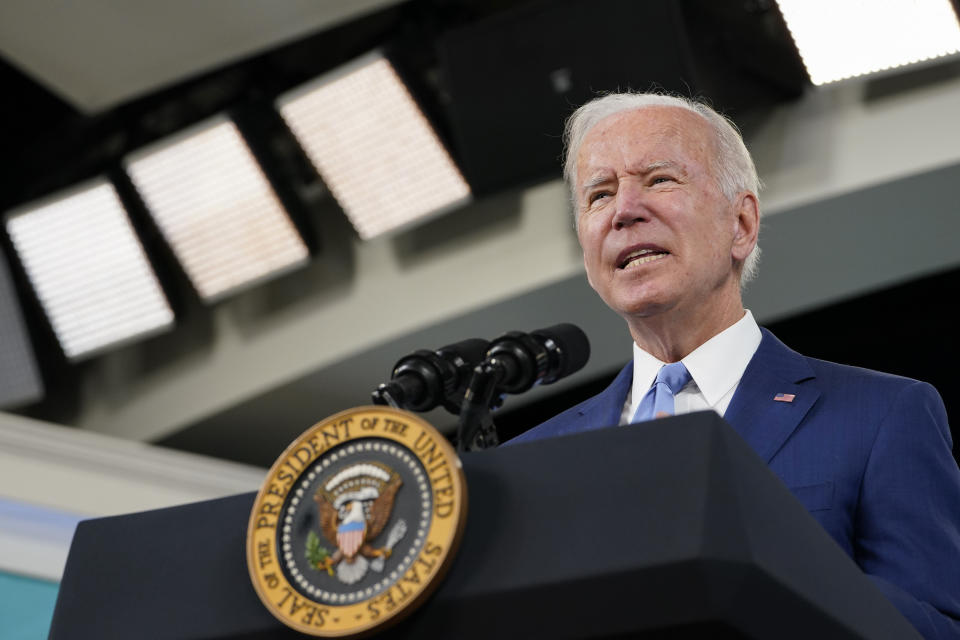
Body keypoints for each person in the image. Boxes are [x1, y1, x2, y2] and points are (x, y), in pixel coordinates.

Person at [509, 92, 960, 638]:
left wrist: (778, 572)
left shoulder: (882, 415)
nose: (625, 210)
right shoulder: (528, 465)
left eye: (659, 180)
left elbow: (934, 627)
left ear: (741, 224)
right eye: (599, 195)